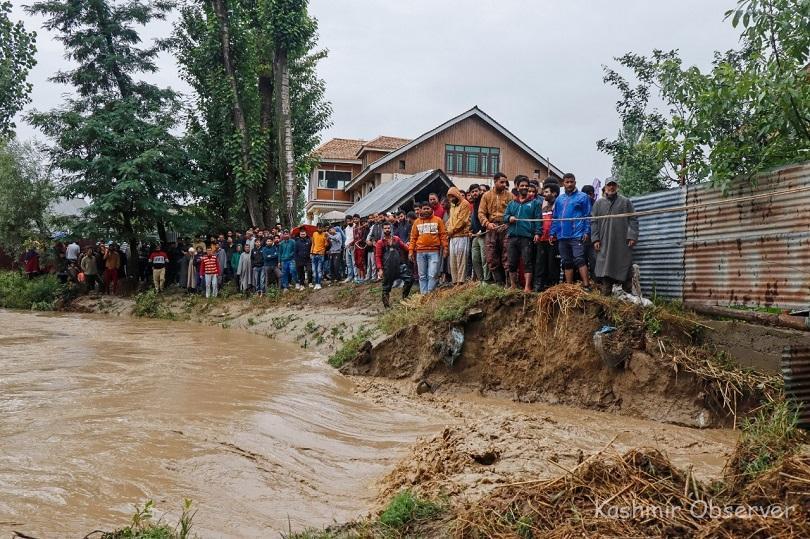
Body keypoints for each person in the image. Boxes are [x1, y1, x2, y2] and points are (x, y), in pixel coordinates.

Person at [591, 178, 639, 296]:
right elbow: (594, 222)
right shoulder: (598, 204)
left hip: (622, 242)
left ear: (617, 187)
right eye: (609, 185)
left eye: (613, 185)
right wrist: (595, 239)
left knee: (625, 269)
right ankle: (605, 300)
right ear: (605, 188)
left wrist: (632, 236)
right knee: (605, 271)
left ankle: (627, 299)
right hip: (604, 243)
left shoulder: (625, 202)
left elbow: (633, 219)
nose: (611, 187)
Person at [549, 173, 592, 290]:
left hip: (576, 234)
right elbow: (556, 217)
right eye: (567, 182)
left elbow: (587, 216)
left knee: (579, 259)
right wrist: (552, 233)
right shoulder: (559, 199)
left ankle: (587, 285)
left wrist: (586, 232)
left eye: (571, 182)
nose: (569, 184)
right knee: (566, 261)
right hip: (562, 235)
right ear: (563, 183)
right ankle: (569, 287)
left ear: (575, 182)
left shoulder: (583, 197)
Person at [504, 176, 541, 292]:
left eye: (526, 186)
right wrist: (509, 218)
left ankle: (527, 287)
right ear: (517, 187)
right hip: (512, 236)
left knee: (527, 262)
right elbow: (504, 217)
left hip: (527, 237)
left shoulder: (535, 203)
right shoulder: (512, 203)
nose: (524, 188)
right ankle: (513, 286)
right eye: (522, 186)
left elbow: (538, 219)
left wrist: (537, 233)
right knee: (511, 262)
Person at [478, 172, 511, 285]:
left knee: (507, 255)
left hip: (505, 228)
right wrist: (487, 223)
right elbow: (481, 212)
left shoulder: (510, 195)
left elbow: (514, 212)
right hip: (491, 228)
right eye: (501, 182)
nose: (504, 184)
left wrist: (507, 223)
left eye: (505, 182)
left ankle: (509, 283)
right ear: (495, 181)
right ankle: (498, 282)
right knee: (491, 256)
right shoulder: (486, 195)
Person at [409, 201, 448, 294]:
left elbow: (443, 235)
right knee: (422, 276)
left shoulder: (438, 220)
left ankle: (429, 295)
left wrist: (445, 248)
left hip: (434, 251)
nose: (426, 210)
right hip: (420, 252)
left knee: (433, 274)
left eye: (428, 208)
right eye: (424, 208)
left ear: (431, 209)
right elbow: (413, 238)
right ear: (421, 210)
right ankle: (424, 295)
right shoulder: (416, 222)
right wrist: (410, 251)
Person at [375, 222, 413, 308]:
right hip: (387, 269)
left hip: (399, 266)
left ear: (391, 229)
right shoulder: (380, 243)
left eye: (388, 228)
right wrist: (380, 269)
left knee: (410, 279)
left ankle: (405, 298)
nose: (387, 230)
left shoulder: (396, 239)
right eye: (385, 228)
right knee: (386, 288)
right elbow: (377, 257)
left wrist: (412, 248)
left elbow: (405, 247)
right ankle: (387, 307)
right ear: (382, 230)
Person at [533, 183, 561, 291]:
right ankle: (538, 287)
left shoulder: (558, 206)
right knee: (540, 264)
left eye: (546, 192)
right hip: (542, 239)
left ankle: (553, 288)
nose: (544, 194)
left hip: (553, 240)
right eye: (543, 192)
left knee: (552, 265)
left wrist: (553, 234)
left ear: (554, 193)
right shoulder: (543, 207)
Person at [445, 186, 471, 284]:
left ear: (457, 195)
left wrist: (450, 231)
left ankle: (461, 281)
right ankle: (455, 281)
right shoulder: (452, 205)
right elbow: (451, 219)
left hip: (462, 236)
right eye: (450, 197)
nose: (451, 199)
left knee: (461, 260)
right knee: (453, 260)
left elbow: (462, 221)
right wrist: (445, 228)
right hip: (452, 236)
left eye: (452, 196)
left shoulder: (465, 204)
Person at [468, 184, 489, 283]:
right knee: (475, 259)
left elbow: (486, 216)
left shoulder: (483, 200)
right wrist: (471, 230)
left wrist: (482, 229)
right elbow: (474, 220)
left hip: (484, 234)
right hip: (476, 235)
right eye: (472, 192)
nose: (474, 193)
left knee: (485, 259)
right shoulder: (474, 203)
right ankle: (481, 280)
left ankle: (486, 280)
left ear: (480, 191)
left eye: (476, 191)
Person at [310, 225, 327, 290]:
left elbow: (326, 245)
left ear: (323, 228)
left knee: (319, 270)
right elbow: (313, 244)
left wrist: (326, 239)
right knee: (314, 270)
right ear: (317, 228)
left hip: (321, 254)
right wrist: (311, 253)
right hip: (314, 254)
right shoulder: (314, 234)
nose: (320, 229)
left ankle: (319, 283)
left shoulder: (324, 234)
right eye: (318, 228)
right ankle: (316, 283)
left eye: (321, 227)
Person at [353, 217, 368, 283]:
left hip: (361, 247)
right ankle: (359, 277)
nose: (355, 220)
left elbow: (363, 238)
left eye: (356, 219)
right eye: (354, 219)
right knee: (357, 263)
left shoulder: (362, 228)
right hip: (356, 247)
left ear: (359, 219)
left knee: (361, 262)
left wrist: (360, 241)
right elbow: (354, 238)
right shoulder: (354, 228)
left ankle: (363, 277)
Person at [342, 217, 355, 283]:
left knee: (354, 262)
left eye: (350, 221)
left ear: (352, 220)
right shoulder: (346, 228)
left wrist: (351, 244)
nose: (349, 222)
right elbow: (348, 238)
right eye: (347, 221)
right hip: (347, 247)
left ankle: (356, 276)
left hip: (353, 246)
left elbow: (354, 237)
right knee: (348, 263)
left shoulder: (355, 227)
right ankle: (350, 277)